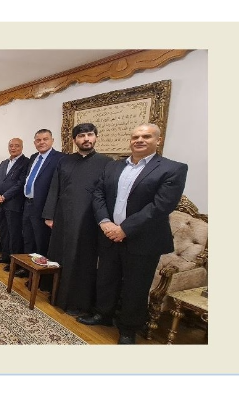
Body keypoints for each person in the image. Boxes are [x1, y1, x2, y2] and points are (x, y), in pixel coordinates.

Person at [77, 123, 188, 344]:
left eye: (146, 136)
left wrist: (124, 229)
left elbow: (161, 206)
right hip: (109, 235)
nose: (139, 140)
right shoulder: (113, 166)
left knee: (135, 287)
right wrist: (105, 222)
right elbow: (98, 194)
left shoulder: (173, 169)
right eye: (135, 136)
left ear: (158, 140)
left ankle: (128, 329)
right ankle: (103, 314)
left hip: (143, 240)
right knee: (106, 279)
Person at [41, 123, 112, 315]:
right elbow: (54, 188)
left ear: (96, 137)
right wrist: (49, 215)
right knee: (59, 255)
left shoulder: (107, 163)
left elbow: (107, 194)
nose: (86, 139)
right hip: (63, 218)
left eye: (90, 135)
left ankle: (78, 303)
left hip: (89, 221)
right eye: (81, 136)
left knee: (82, 260)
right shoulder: (64, 161)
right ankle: (56, 294)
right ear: (74, 140)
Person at [18, 129, 65, 287]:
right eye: (38, 140)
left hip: (43, 208)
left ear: (52, 141)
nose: (42, 142)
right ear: (34, 142)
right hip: (28, 204)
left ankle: (40, 279)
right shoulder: (33, 157)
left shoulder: (60, 159)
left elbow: (58, 188)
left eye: (45, 139)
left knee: (41, 243)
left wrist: (50, 213)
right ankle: (28, 270)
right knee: (28, 239)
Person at [0, 138, 30, 271]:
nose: (13, 148)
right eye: (11, 146)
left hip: (13, 203)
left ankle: (14, 262)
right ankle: (5, 256)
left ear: (22, 147)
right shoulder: (4, 163)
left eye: (16, 146)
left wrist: (4, 196)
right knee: (3, 231)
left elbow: (20, 183)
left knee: (14, 234)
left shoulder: (26, 162)